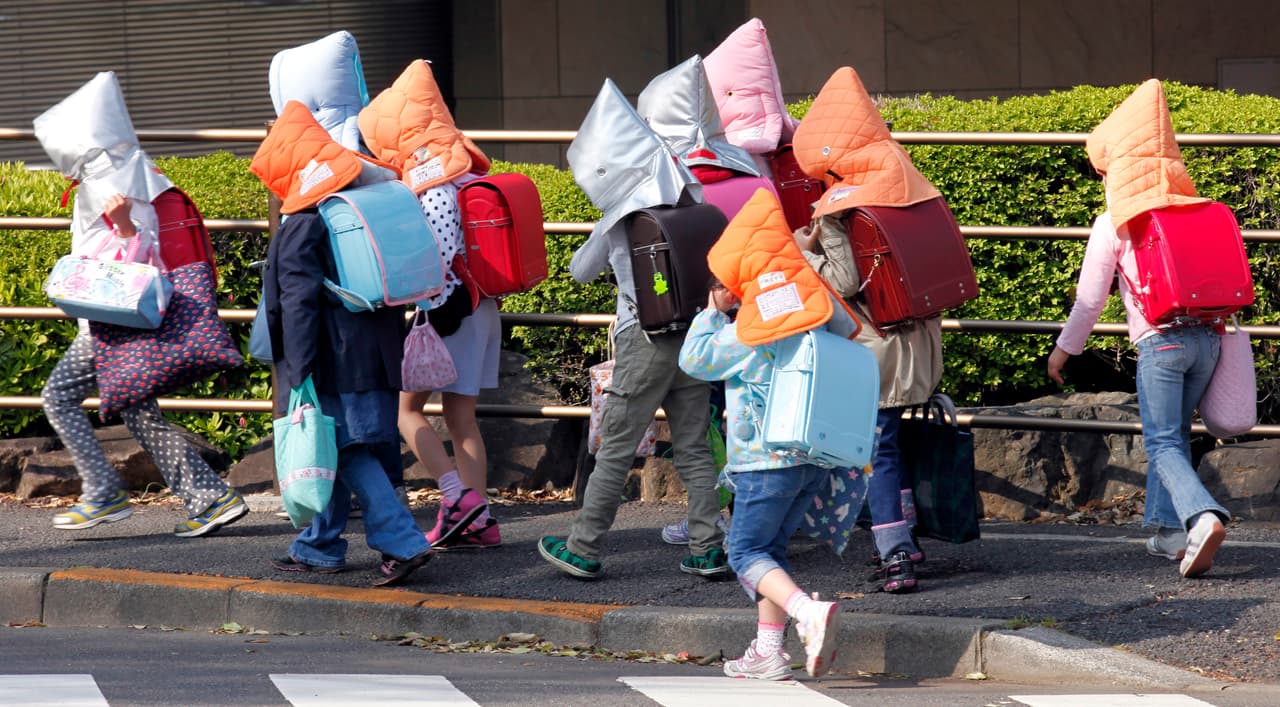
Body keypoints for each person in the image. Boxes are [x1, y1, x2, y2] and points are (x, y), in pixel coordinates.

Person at [34, 72, 248, 537]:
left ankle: (105, 493)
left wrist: (125, 227)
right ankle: (209, 497)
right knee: (138, 411)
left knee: (59, 396)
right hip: (118, 320)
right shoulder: (130, 172)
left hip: (112, 322)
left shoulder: (110, 183)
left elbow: (140, 256)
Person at [536, 79, 727, 580]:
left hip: (645, 340)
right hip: (694, 335)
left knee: (617, 446)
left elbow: (580, 270)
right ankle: (708, 547)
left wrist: (602, 225)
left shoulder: (623, 213)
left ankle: (583, 546)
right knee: (694, 446)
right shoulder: (687, 195)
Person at [1047, 79, 1230, 579]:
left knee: (1162, 443)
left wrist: (1064, 350)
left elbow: (1090, 300)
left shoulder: (1114, 222)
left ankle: (1202, 517)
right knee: (1177, 435)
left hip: (1161, 341)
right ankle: (1169, 532)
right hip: (1208, 339)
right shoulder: (1197, 209)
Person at [679, 189, 862, 679]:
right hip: (813, 455)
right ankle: (768, 651)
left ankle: (807, 612)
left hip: (763, 461)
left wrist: (712, 309)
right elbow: (849, 327)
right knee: (768, 554)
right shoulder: (815, 311)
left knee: (743, 553)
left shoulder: (750, 329)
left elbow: (694, 360)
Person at [253, 100, 433, 587]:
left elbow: (298, 304)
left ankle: (403, 541)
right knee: (333, 445)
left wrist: (299, 370)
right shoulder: (358, 204)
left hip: (330, 358)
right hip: (375, 352)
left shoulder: (303, 222)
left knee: (345, 448)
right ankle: (319, 545)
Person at [788, 66, 946, 592]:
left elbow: (844, 280)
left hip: (877, 349)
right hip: (920, 339)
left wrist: (803, 254)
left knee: (877, 452)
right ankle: (907, 540)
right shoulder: (910, 184)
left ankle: (894, 553)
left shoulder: (841, 204)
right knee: (893, 444)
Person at [356, 59, 501, 550]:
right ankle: (480, 520)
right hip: (480, 305)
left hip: (446, 309)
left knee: (406, 410)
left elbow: (439, 254)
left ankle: (457, 497)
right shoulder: (463, 170)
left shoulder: (433, 181)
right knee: (462, 420)